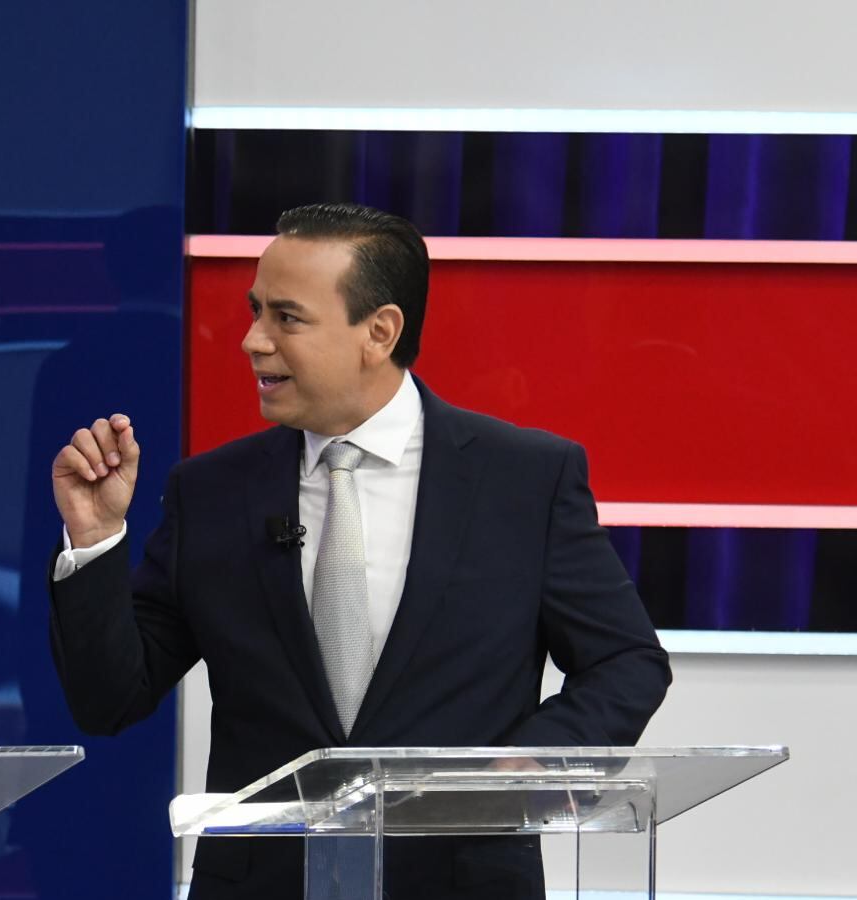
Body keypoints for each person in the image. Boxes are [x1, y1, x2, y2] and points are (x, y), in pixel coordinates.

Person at [47, 202, 670, 899]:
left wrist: (529, 765)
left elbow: (626, 661)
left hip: (461, 880)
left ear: (379, 332)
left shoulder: (522, 479)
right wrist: (95, 540)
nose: (253, 340)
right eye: (256, 311)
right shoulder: (212, 491)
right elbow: (109, 699)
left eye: (287, 317)